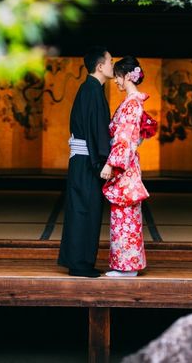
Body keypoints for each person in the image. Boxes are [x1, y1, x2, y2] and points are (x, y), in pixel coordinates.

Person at [58, 46, 114, 277]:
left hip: (84, 159)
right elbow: (95, 131)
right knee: (84, 209)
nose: (113, 65)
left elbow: (96, 130)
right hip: (87, 161)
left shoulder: (91, 89)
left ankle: (81, 262)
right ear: (100, 66)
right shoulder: (91, 90)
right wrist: (102, 162)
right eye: (111, 61)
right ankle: (80, 264)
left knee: (84, 208)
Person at [100, 56, 149, 278]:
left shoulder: (131, 103)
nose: (116, 81)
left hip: (124, 166)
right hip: (128, 164)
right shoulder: (133, 102)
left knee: (124, 217)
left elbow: (125, 138)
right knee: (125, 217)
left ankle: (127, 267)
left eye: (118, 77)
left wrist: (112, 164)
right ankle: (127, 265)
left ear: (127, 76)